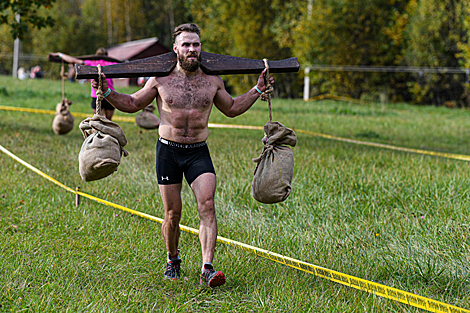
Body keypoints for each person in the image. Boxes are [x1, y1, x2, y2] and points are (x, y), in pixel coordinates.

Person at [91, 23, 274, 288]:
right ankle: (172, 260)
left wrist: (257, 90)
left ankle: (207, 269)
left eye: (196, 44)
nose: (192, 49)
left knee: (207, 205)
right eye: (186, 44)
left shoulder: (212, 80)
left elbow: (232, 108)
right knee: (172, 213)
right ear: (176, 48)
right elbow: (133, 103)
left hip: (198, 152)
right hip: (168, 151)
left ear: (201, 48)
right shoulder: (160, 79)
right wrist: (106, 91)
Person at [50, 48, 118, 120]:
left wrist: (60, 54)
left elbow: (73, 60)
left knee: (98, 121)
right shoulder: (111, 64)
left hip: (97, 95)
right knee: (108, 120)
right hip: (109, 94)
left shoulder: (92, 63)